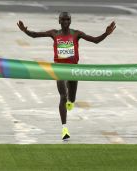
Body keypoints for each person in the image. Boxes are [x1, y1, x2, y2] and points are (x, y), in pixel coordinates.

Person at [17, 12, 116, 140]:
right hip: (59, 69)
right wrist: (25, 31)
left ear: (70, 21)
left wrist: (105, 34)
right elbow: (36, 35)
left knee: (71, 98)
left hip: (73, 69)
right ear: (59, 21)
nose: (65, 22)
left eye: (67, 20)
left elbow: (95, 40)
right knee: (63, 96)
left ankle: (71, 102)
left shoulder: (76, 34)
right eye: (63, 20)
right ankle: (64, 129)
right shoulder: (54, 33)